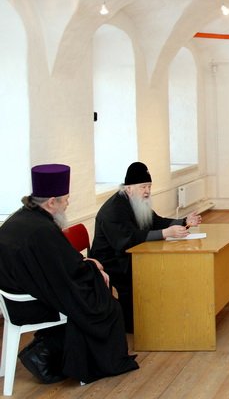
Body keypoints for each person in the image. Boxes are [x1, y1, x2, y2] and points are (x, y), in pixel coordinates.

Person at [0, 164, 138, 384]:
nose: (67, 204)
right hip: (28, 305)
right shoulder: (42, 229)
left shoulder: (23, 217)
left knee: (90, 288)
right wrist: (93, 269)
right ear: (51, 202)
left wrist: (86, 263)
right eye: (65, 199)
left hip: (13, 299)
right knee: (106, 305)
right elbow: (68, 272)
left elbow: (57, 264)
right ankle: (86, 363)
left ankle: (48, 352)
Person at [90, 161, 202, 333]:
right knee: (145, 274)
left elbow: (156, 221)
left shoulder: (136, 202)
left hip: (129, 253)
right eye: (143, 187)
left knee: (159, 268)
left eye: (149, 186)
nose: (147, 191)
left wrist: (184, 221)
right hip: (112, 260)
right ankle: (135, 324)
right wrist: (165, 233)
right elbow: (128, 239)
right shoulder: (114, 210)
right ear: (129, 188)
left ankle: (157, 314)